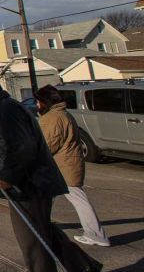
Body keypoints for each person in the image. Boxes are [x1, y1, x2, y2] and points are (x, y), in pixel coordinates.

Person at [0, 76, 102, 272]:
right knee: (42, 228)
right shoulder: (8, 107)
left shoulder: (4, 110)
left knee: (31, 238)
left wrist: (8, 177)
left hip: (29, 183)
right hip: (35, 180)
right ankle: (82, 266)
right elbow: (13, 139)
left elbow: (23, 147)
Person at [34, 85, 110, 247]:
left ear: (45, 101)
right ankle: (40, 226)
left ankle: (96, 234)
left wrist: (33, 157)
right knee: (46, 198)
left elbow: (48, 144)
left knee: (76, 199)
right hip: (65, 165)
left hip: (62, 167)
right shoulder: (63, 114)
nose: (36, 105)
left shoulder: (53, 118)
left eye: (38, 101)